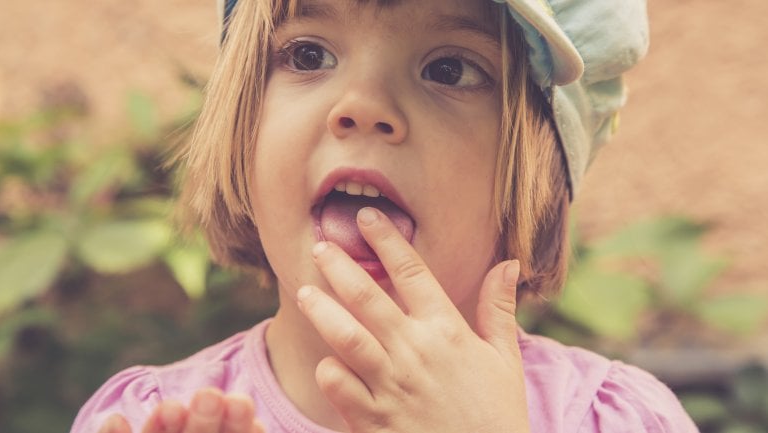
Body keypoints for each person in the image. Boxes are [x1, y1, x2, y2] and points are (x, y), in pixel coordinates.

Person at [71, 0, 700, 432]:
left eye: (449, 69)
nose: (362, 106)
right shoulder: (148, 415)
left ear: (536, 175)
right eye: (308, 55)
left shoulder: (611, 419)